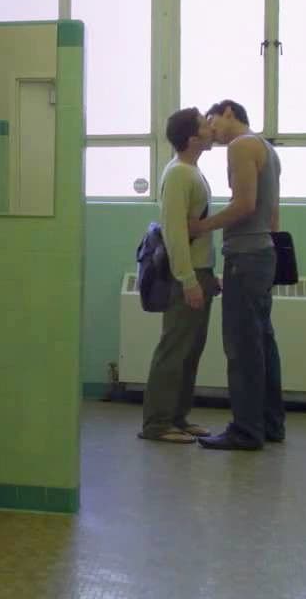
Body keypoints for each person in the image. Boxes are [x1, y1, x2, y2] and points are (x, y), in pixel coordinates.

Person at [190, 99, 284, 451]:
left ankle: (245, 430)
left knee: (242, 347)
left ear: (228, 112)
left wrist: (202, 226)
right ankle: (270, 424)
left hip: (245, 257)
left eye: (212, 121)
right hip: (262, 255)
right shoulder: (267, 149)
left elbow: (244, 205)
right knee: (262, 343)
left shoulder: (241, 146)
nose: (211, 131)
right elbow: (272, 213)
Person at [139, 107, 219, 444]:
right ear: (192, 138)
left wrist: (206, 275)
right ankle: (157, 424)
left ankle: (177, 417)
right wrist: (188, 280)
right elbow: (174, 232)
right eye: (204, 126)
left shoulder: (191, 171)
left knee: (191, 349)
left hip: (200, 270)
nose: (211, 129)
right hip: (185, 273)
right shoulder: (178, 174)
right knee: (174, 349)